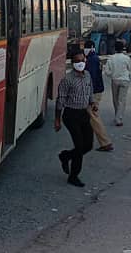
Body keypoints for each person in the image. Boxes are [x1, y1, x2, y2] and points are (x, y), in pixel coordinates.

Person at [55, 51, 97, 187]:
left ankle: (66, 156)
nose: (80, 63)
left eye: (82, 60)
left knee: (88, 145)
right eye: (77, 61)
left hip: (84, 113)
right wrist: (57, 119)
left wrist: (93, 103)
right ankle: (73, 176)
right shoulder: (67, 80)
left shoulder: (87, 75)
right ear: (73, 63)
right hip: (71, 115)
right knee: (79, 147)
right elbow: (60, 100)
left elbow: (90, 91)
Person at [83, 41, 113, 152]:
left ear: (91, 48)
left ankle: (105, 142)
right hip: (97, 91)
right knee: (89, 117)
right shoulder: (95, 58)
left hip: (93, 92)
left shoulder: (91, 60)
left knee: (93, 117)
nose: (84, 49)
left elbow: (91, 78)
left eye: (86, 47)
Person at [104, 41, 131, 126]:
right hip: (125, 80)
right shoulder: (126, 58)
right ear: (123, 48)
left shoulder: (111, 58)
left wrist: (113, 74)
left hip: (115, 80)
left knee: (115, 99)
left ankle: (116, 116)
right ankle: (119, 118)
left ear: (114, 48)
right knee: (122, 100)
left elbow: (106, 71)